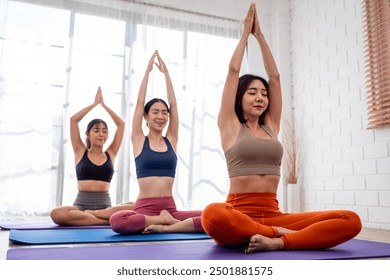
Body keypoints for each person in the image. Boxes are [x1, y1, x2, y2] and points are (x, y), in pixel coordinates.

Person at [201, 3, 361, 253]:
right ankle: (283, 235)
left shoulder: (270, 126)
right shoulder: (230, 124)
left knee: (350, 219)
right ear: (240, 97)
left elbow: (275, 78)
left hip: (274, 215)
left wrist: (261, 36)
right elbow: (233, 71)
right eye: (252, 92)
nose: (260, 98)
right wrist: (245, 34)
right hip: (239, 215)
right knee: (212, 215)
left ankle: (277, 241)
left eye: (263, 94)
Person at [109, 51, 203, 234]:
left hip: (171, 209)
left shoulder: (172, 140)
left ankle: (168, 226)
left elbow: (174, 105)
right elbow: (139, 102)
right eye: (155, 112)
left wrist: (166, 74)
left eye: (164, 112)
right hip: (144, 210)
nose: (161, 116)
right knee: (118, 220)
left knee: (213, 214)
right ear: (146, 116)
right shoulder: (138, 140)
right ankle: (161, 222)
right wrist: (148, 72)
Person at [50, 87, 134, 226]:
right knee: (57, 214)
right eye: (96, 130)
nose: (101, 134)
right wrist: (94, 105)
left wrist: (104, 106)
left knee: (136, 205)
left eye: (104, 131)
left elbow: (121, 124)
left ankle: (92, 217)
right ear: (88, 134)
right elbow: (73, 121)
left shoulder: (111, 153)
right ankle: (105, 222)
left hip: (105, 208)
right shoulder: (80, 151)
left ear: (107, 135)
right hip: (81, 206)